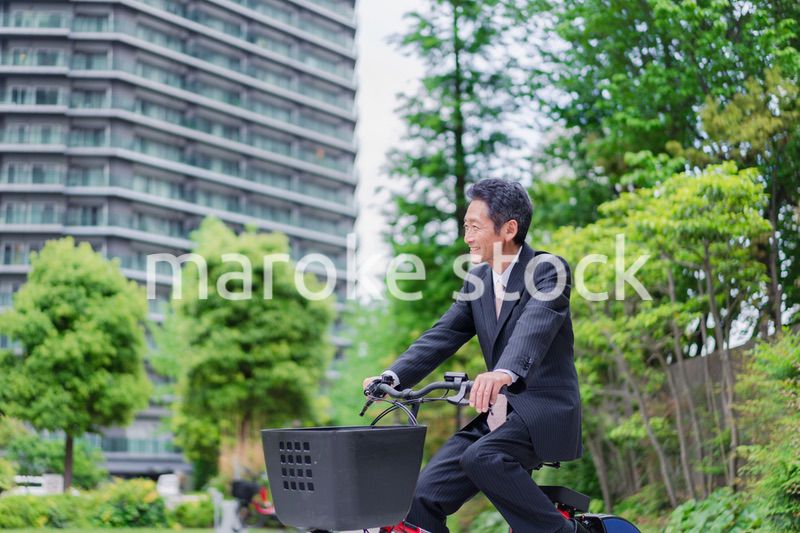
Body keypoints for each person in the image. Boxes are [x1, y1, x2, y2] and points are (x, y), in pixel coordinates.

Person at [364, 179, 585, 533]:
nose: (467, 236)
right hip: (500, 413)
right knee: (420, 498)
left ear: (509, 229)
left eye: (474, 226)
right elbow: (444, 334)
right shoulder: (477, 279)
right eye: (465, 226)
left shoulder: (547, 270)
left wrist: (504, 372)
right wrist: (392, 377)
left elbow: (535, 325)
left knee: (481, 457)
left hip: (543, 409)